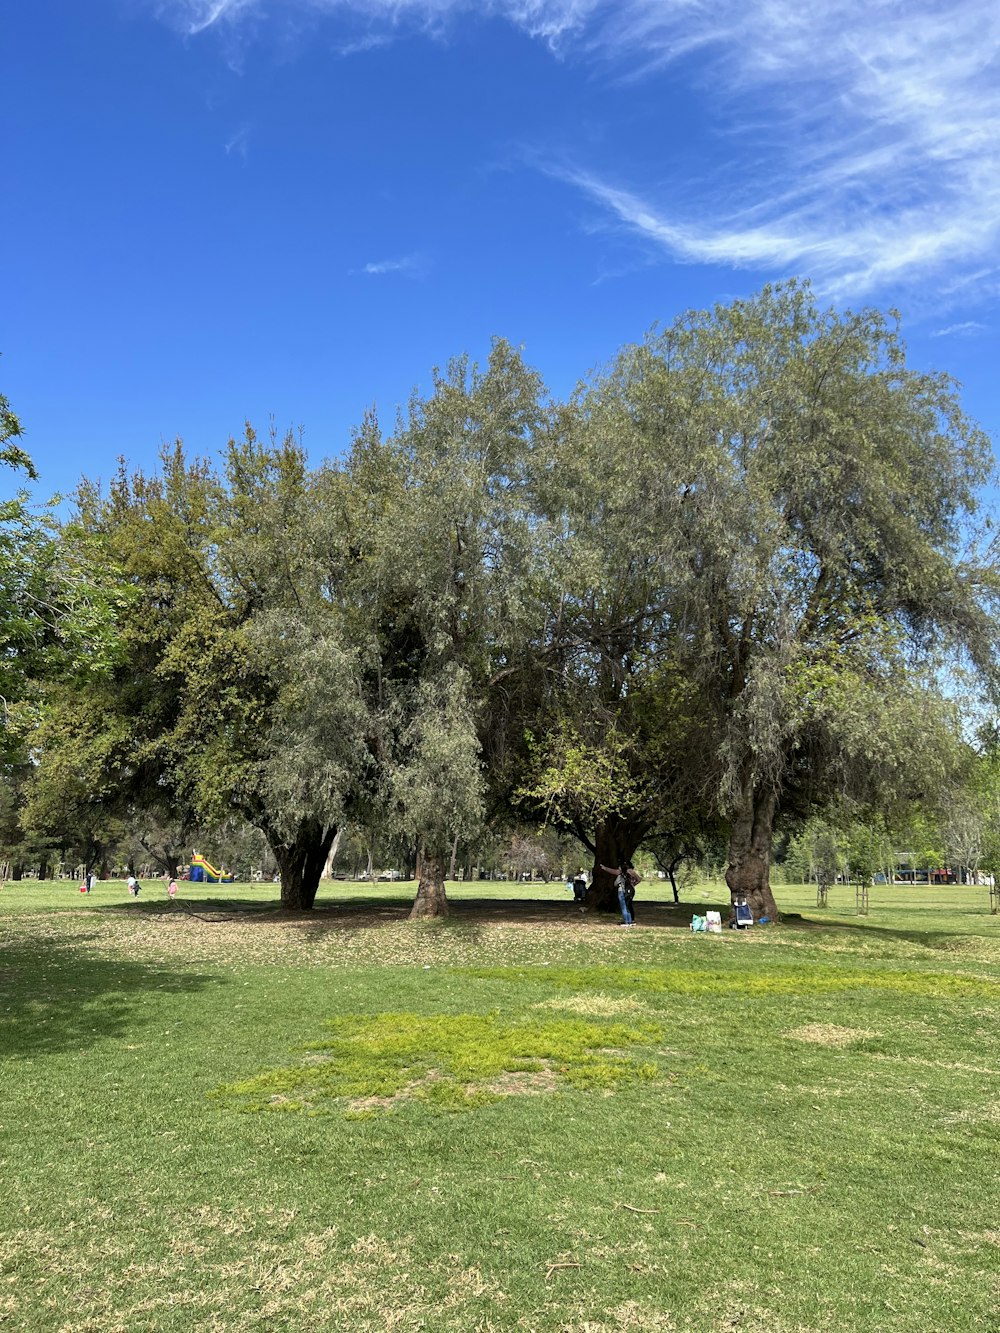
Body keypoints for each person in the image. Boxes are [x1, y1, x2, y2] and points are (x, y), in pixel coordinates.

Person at [600, 861, 641, 925]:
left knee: (624, 906)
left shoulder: (621, 873)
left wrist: (604, 868)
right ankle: (630, 920)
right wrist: (633, 884)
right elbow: (639, 879)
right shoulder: (631, 872)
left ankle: (626, 921)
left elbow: (613, 872)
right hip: (630, 891)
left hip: (622, 890)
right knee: (628, 906)